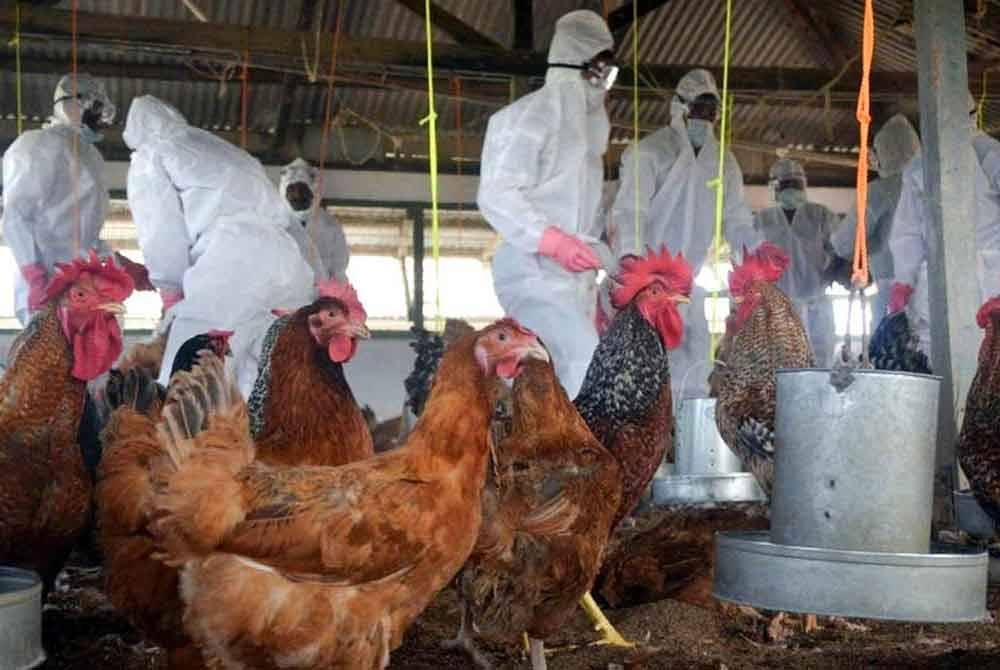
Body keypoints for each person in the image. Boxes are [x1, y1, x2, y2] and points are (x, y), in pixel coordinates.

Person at [123, 95, 314, 396]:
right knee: (260, 366)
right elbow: (287, 219)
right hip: (287, 261)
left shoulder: (152, 155)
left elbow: (161, 230)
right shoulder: (219, 147)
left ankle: (175, 425)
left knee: (187, 365)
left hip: (233, 258)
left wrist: (170, 291)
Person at [477, 9, 617, 398]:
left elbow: (584, 211)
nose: (606, 81)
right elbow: (497, 192)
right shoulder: (528, 117)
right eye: (602, 68)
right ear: (580, 61)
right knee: (582, 360)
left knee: (561, 374)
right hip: (533, 272)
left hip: (574, 281)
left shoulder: (587, 136)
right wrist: (551, 240)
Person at [608, 68, 760, 400]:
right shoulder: (651, 152)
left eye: (711, 111)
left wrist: (754, 256)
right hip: (647, 282)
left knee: (695, 367)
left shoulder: (723, 162)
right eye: (698, 108)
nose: (704, 118)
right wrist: (632, 261)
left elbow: (736, 218)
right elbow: (631, 210)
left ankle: (689, 429)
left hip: (689, 281)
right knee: (639, 370)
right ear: (680, 107)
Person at [1, 74, 144, 325]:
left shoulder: (91, 156)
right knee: (50, 347)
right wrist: (34, 275)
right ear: (72, 105)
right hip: (48, 280)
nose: (101, 120)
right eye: (96, 110)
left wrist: (115, 262)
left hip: (86, 283)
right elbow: (16, 216)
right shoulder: (39, 146)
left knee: (97, 345)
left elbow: (85, 234)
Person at [888, 93, 1000, 357]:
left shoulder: (989, 153)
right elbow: (908, 231)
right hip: (936, 279)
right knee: (936, 354)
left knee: (989, 359)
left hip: (991, 275)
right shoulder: (918, 166)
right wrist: (904, 280)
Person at [830, 114, 921, 325]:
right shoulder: (934, 184)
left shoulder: (879, 191)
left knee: (893, 343)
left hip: (894, 288)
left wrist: (875, 243)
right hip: (939, 287)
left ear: (883, 154)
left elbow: (845, 243)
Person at [755, 158, 839, 365]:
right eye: (786, 184)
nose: (791, 189)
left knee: (820, 364)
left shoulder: (821, 215)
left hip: (816, 306)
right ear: (774, 187)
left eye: (796, 183)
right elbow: (749, 262)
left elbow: (840, 253)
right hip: (776, 310)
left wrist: (837, 270)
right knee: (779, 367)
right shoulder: (762, 220)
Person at [278, 157, 350, 282]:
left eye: (303, 190)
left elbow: (339, 269)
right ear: (284, 193)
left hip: (320, 292)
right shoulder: (276, 223)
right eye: (292, 191)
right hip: (285, 292)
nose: (297, 196)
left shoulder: (330, 226)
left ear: (313, 191)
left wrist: (336, 291)